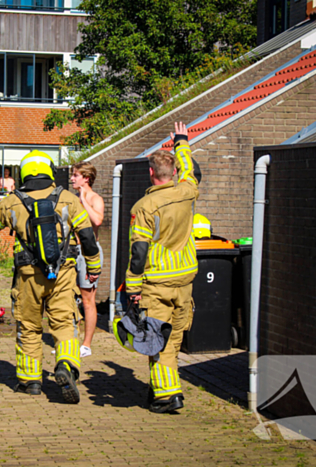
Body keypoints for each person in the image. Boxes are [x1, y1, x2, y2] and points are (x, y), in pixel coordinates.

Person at [0, 150, 101, 403]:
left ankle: (30, 382)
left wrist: (7, 198)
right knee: (64, 324)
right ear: (49, 171)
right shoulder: (68, 198)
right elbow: (88, 237)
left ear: (24, 172)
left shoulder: (13, 200)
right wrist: (94, 267)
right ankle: (66, 366)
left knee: (29, 326)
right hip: (64, 274)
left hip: (28, 276)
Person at [125, 122, 199, 414]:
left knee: (157, 339)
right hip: (185, 278)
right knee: (176, 337)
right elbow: (190, 171)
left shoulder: (144, 206)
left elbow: (139, 251)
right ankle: (167, 388)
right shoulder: (188, 191)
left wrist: (132, 285)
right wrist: (181, 141)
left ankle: (167, 396)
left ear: (151, 173)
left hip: (157, 282)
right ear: (174, 173)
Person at [70, 161, 104, 358]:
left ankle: (87, 344)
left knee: (87, 299)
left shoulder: (94, 198)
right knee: (68, 298)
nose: (72, 178)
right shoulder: (71, 199)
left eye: (76, 175)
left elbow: (97, 220)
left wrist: (83, 200)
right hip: (71, 251)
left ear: (86, 178)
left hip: (88, 253)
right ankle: (70, 341)